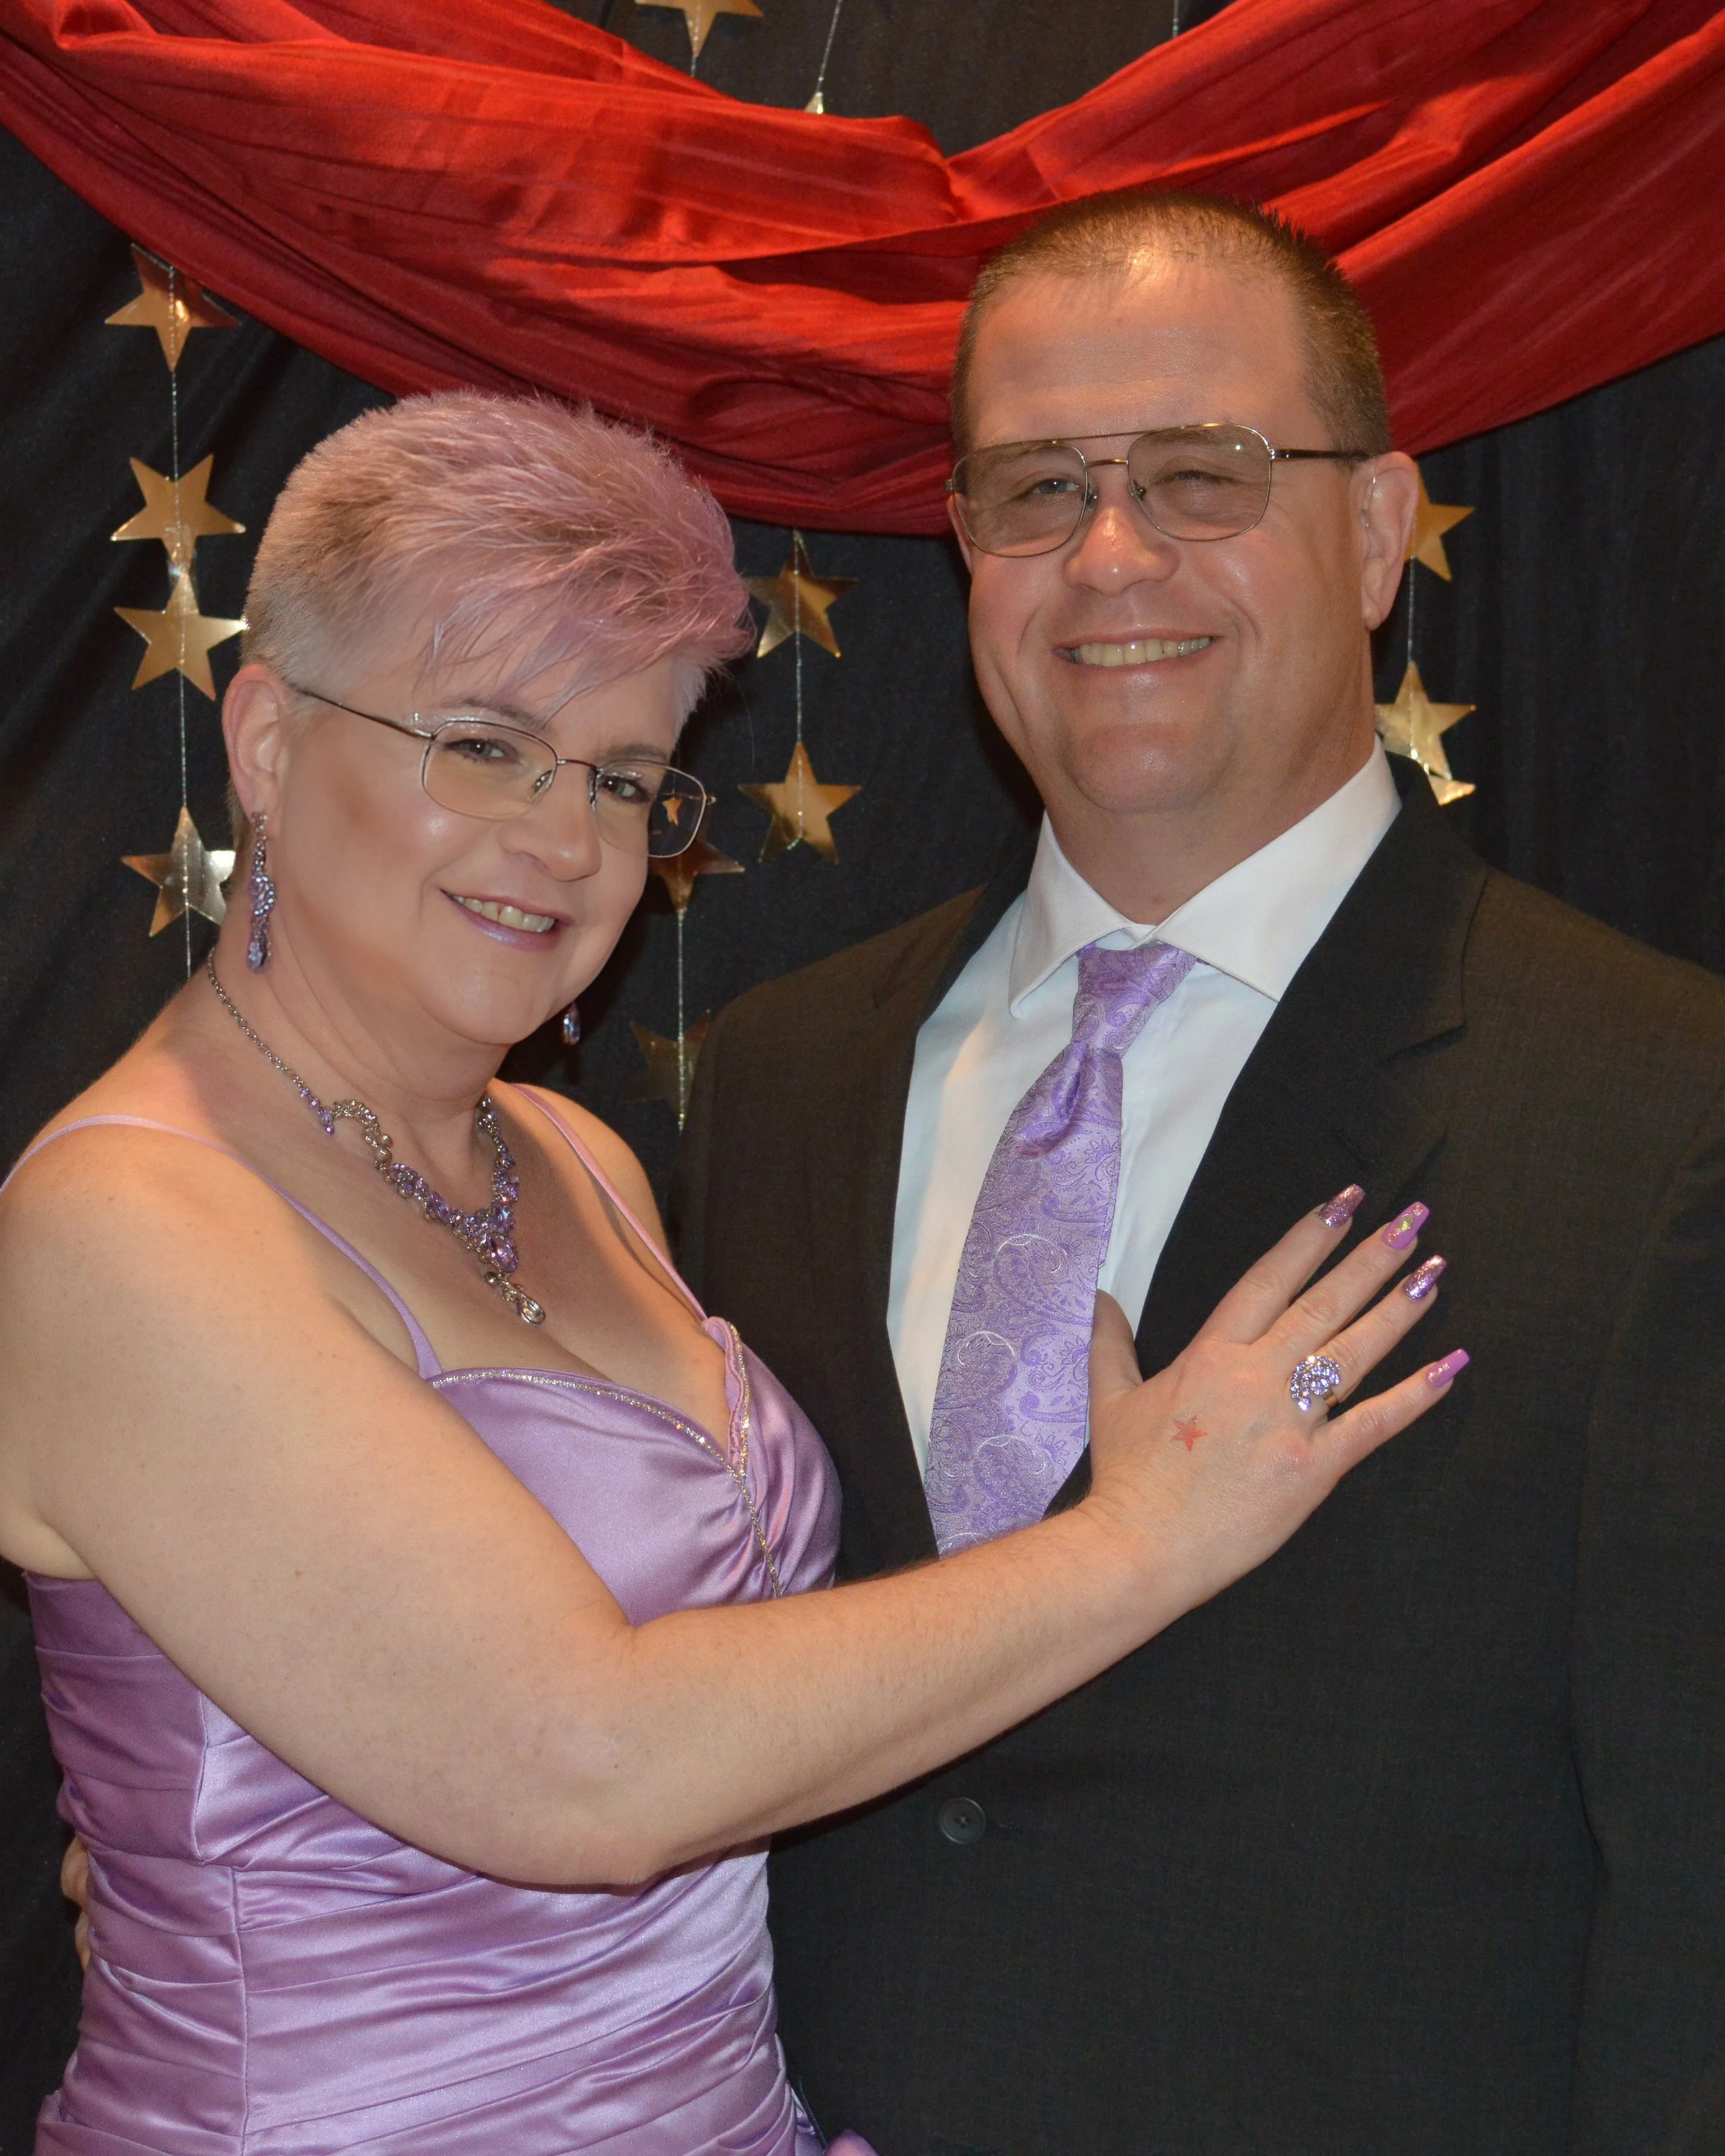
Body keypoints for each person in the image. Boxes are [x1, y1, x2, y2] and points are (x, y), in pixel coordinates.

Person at [0, 391, 1458, 2155]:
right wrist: (1144, 1536)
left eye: (623, 778)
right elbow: (586, 1770)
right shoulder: (121, 1227)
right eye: (484, 742)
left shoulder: (582, 1164)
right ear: (268, 740)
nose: (566, 841)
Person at [676, 193, 1725, 2155]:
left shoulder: (1663, 1116)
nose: (1109, 556)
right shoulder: (777, 1080)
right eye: (1032, 489)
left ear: (1378, 527)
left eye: (1200, 473)